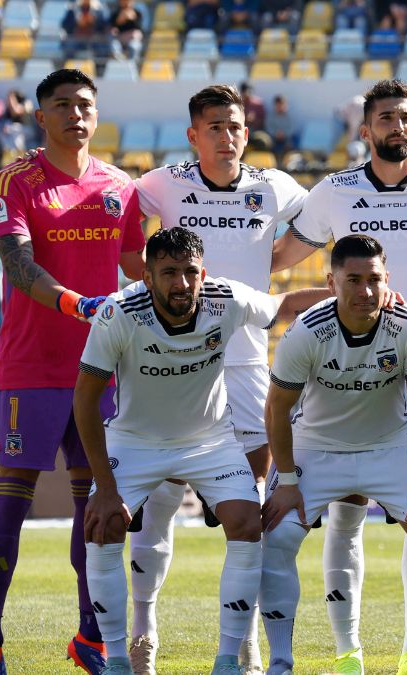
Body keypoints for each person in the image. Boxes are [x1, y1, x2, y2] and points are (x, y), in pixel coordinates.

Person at [271, 78, 407, 675]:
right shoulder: (334, 192)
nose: (395, 125)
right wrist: (319, 293)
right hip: (340, 370)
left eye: (405, 118)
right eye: (383, 117)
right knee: (344, 514)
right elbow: (278, 256)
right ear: (365, 130)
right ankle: (347, 652)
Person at [125, 83, 315, 675]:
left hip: (248, 364)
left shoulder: (274, 185)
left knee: (250, 506)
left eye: (235, 127)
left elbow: (319, 223)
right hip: (171, 363)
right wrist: (151, 290)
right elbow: (125, 228)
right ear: (193, 134)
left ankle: (244, 641)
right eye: (215, 127)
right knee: (154, 503)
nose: (227, 137)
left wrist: (268, 268)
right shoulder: (163, 181)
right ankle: (141, 630)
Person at [74, 227, 312, 675]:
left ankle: (228, 660)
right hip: (135, 442)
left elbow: (282, 306)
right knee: (101, 526)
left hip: (210, 442)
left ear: (203, 273)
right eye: (168, 273)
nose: (180, 284)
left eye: (188, 273)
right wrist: (105, 487)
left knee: (246, 522)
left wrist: (342, 289)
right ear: (146, 277)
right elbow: (85, 398)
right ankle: (119, 661)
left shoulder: (228, 299)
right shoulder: (118, 312)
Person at [0, 68, 146, 675]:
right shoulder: (13, 181)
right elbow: (18, 264)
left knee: (96, 506)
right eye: (62, 105)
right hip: (30, 367)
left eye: (85, 105)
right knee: (10, 505)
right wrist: (74, 302)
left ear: (96, 116)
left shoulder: (121, 187)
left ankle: (90, 639)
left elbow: (136, 264)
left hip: (100, 371)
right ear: (40, 116)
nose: (76, 114)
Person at [260, 234, 407, 675]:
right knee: (277, 539)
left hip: (390, 447)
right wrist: (288, 482)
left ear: (387, 280)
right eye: (354, 280)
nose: (366, 291)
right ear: (331, 282)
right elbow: (277, 408)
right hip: (316, 448)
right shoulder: (307, 330)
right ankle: (281, 662)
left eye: (375, 280)